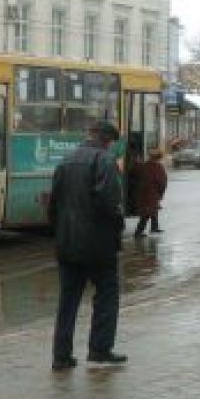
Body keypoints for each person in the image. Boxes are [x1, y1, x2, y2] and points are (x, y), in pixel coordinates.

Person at [49, 120, 127, 371]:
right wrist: (117, 227)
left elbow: (53, 205)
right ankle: (99, 350)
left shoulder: (66, 160)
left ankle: (61, 356)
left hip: (67, 242)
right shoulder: (105, 160)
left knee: (68, 300)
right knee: (107, 294)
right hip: (98, 243)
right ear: (107, 140)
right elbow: (110, 202)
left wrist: (61, 232)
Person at [132, 148, 168, 237]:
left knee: (152, 210)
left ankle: (154, 227)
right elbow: (162, 182)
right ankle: (138, 232)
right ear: (159, 158)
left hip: (142, 192)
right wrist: (160, 193)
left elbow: (134, 170)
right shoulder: (158, 167)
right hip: (152, 194)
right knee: (147, 213)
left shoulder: (144, 165)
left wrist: (136, 161)